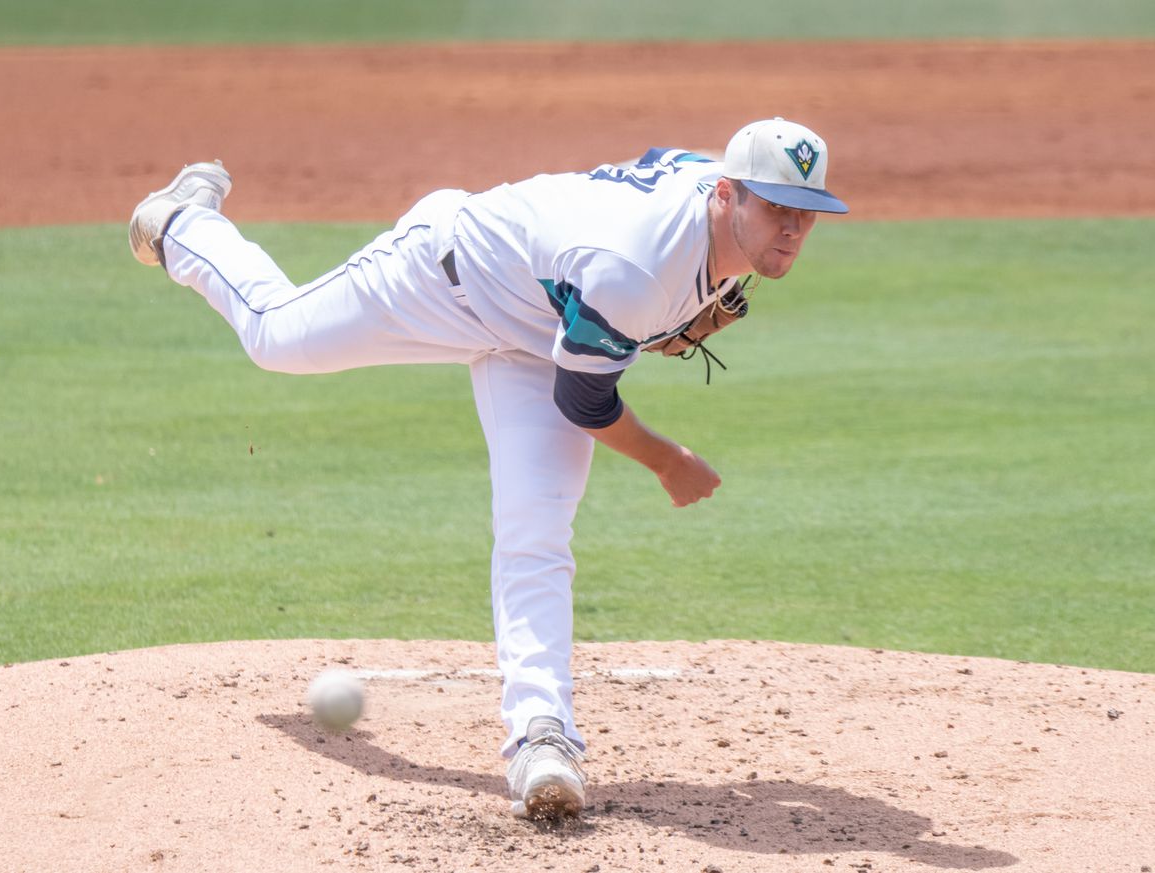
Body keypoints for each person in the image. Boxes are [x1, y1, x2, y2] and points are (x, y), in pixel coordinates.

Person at [127, 117, 848, 820]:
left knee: (537, 530)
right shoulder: (633, 269)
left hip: (540, 334)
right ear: (727, 194)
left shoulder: (698, 198)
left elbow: (660, 161)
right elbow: (586, 399)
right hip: (444, 276)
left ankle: (543, 739)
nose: (792, 228)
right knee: (275, 336)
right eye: (777, 207)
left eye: (807, 214)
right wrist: (668, 460)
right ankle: (183, 225)